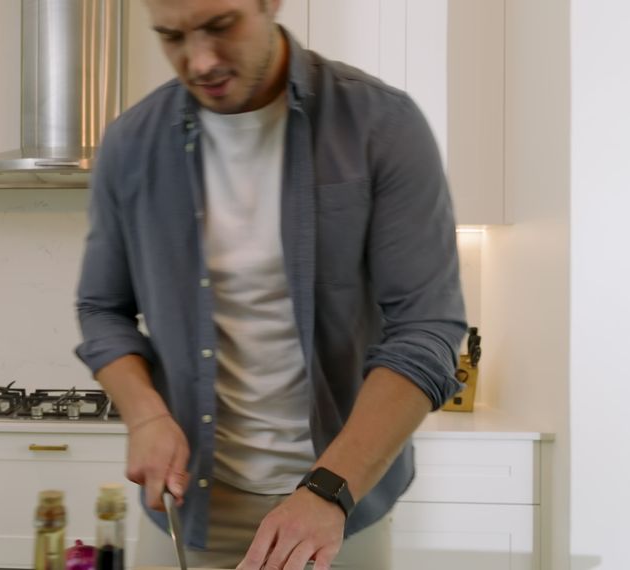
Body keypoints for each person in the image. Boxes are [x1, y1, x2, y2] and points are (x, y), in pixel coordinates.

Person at [74, 0, 467, 568]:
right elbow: (102, 308)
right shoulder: (131, 144)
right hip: (188, 511)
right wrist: (146, 414)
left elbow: (427, 329)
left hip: (339, 508)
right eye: (171, 37)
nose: (200, 60)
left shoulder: (381, 125)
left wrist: (329, 490)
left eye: (220, 25)